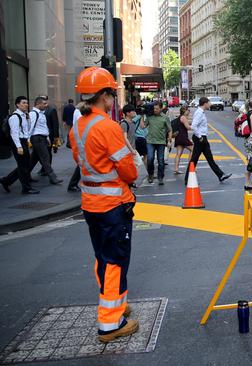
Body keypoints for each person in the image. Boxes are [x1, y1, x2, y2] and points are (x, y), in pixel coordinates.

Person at [69, 66, 139, 343]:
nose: (113, 100)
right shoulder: (108, 127)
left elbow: (80, 160)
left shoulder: (79, 126)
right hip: (113, 204)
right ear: (106, 97)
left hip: (91, 203)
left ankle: (117, 306)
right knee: (115, 261)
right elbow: (129, 170)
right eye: (112, 94)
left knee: (104, 258)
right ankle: (110, 323)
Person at [184, 97, 232, 184]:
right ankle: (187, 178)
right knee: (194, 159)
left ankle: (220, 175)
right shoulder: (199, 113)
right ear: (205, 103)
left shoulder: (201, 112)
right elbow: (194, 126)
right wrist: (200, 137)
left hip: (202, 138)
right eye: (209, 102)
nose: (210, 104)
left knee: (209, 158)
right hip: (200, 138)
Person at [0, 96, 39, 194]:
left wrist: (28, 119)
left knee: (24, 165)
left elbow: (27, 130)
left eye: (26, 103)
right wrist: (19, 146)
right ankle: (26, 188)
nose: (26, 104)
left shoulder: (24, 115)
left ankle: (6, 181)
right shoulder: (14, 117)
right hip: (18, 142)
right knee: (23, 167)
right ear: (17, 104)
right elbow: (14, 133)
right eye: (23, 103)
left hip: (23, 141)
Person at [27, 96, 63, 184]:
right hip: (37, 139)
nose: (46, 105)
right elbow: (30, 128)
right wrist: (28, 140)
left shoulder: (41, 113)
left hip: (41, 138)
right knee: (45, 158)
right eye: (44, 103)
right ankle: (53, 178)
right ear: (38, 104)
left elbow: (43, 127)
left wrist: (47, 137)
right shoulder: (33, 114)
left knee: (32, 161)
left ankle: (8, 180)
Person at [142, 101, 172, 185]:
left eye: (157, 109)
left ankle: (160, 177)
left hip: (161, 142)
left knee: (161, 160)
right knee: (150, 159)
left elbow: (169, 129)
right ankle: (150, 175)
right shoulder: (150, 116)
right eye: (154, 108)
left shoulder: (165, 117)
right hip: (150, 141)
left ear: (161, 108)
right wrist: (141, 116)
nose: (155, 110)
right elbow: (143, 126)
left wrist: (170, 139)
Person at [67, 102, 85, 192]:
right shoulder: (79, 113)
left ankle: (73, 183)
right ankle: (72, 184)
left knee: (82, 162)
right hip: (80, 137)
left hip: (78, 136)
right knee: (82, 162)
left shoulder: (77, 111)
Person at [173, 105, 193, 174]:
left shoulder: (179, 117)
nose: (189, 111)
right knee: (193, 149)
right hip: (183, 137)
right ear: (185, 111)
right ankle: (190, 166)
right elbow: (187, 127)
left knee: (178, 154)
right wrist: (194, 127)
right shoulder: (184, 117)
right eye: (188, 110)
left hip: (178, 137)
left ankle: (176, 169)